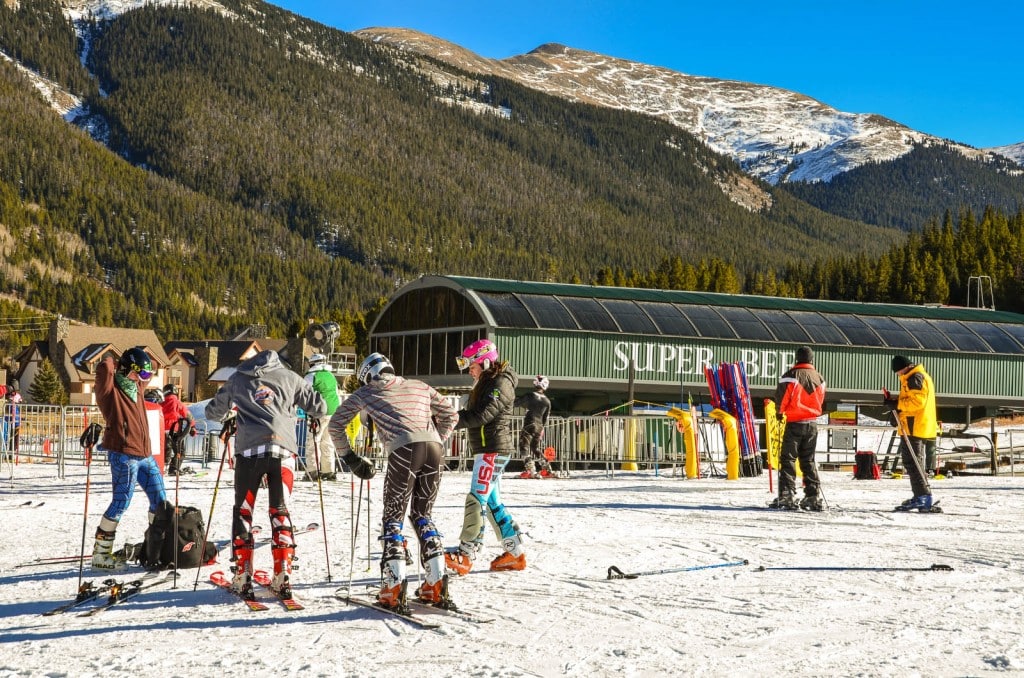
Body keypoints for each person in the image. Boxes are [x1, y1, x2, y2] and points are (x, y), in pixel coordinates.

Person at [327, 352, 457, 609]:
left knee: (393, 519)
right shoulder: (420, 385)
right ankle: (436, 582)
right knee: (423, 515)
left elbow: (335, 425)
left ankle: (393, 586)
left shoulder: (367, 392)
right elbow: (451, 415)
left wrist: (350, 458)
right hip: (434, 449)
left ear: (367, 376)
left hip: (404, 450)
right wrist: (436, 440)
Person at [205, 349, 326, 599]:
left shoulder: (238, 378)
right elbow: (320, 406)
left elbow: (212, 412)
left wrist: (231, 414)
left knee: (244, 510)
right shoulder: (290, 377)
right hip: (283, 451)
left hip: (249, 451)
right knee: (279, 510)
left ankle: (242, 574)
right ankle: (283, 573)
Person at [445, 338, 527, 575]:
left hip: (492, 449)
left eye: (472, 365)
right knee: (491, 503)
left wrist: (450, 420)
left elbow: (482, 415)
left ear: (485, 362)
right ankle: (515, 553)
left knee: (476, 500)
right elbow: (474, 413)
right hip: (488, 448)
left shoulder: (500, 383)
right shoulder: (489, 381)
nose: (469, 370)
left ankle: (466, 554)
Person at [91, 348, 168, 569]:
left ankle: (153, 550)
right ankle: (101, 555)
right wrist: (115, 359)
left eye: (145, 376)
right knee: (121, 502)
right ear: (127, 370)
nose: (145, 379)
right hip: (123, 455)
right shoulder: (109, 392)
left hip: (145, 455)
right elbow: (105, 367)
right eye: (141, 374)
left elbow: (153, 365)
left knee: (160, 502)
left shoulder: (137, 388)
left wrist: (142, 360)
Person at [770, 346, 827, 511]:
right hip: (812, 424)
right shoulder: (820, 378)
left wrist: (780, 412)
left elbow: (782, 397)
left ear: (797, 358)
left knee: (788, 459)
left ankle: (787, 494)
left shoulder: (790, 377)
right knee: (808, 460)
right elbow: (821, 399)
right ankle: (813, 495)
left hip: (795, 422)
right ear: (811, 359)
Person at [886, 355, 938, 512]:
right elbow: (912, 400)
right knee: (911, 462)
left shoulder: (915, 377)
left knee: (914, 462)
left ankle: (924, 495)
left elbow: (917, 403)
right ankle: (920, 495)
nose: (898, 375)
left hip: (915, 426)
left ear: (904, 367)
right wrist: (896, 405)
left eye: (898, 371)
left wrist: (897, 404)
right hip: (912, 426)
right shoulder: (913, 377)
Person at [304, 353, 340, 481]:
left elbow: (303, 394)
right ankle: (328, 471)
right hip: (334, 412)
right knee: (327, 442)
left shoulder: (311, 376)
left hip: (318, 412)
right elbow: (337, 393)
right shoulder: (331, 376)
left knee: (313, 441)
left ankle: (312, 471)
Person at [515, 375, 552, 478]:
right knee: (535, 448)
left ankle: (530, 470)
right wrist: (541, 429)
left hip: (529, 424)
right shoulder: (547, 401)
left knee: (524, 447)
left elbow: (515, 403)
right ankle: (547, 469)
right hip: (539, 427)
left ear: (535, 383)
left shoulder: (529, 395)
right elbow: (545, 418)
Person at [160, 384, 196, 475]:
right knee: (180, 451)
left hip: (162, 430)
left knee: (165, 450)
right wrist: (192, 427)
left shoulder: (161, 403)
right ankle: (174, 468)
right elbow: (187, 414)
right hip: (174, 431)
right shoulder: (176, 402)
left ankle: (162, 468)